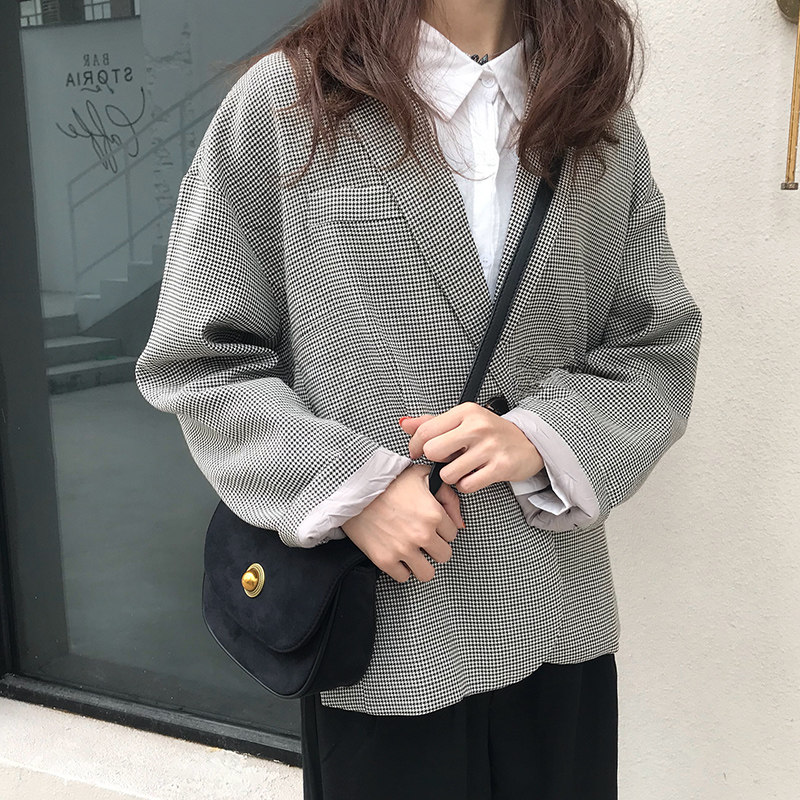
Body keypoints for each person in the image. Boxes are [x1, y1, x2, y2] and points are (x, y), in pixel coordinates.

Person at [135, 0, 703, 798]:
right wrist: (350, 487)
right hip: (389, 634)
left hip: (556, 615)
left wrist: (543, 435)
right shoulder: (291, 102)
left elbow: (655, 342)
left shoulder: (591, 114)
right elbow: (200, 360)